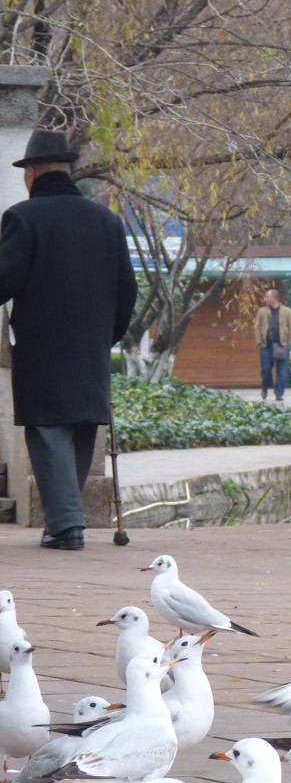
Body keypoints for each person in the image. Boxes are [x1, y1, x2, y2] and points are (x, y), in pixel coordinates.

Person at [0, 129, 137, 551]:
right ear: (70, 170)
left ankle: (66, 527)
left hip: (43, 348)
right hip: (92, 349)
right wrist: (106, 336)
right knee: (79, 431)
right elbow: (127, 291)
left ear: (32, 174)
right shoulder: (107, 221)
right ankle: (64, 521)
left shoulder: (23, 218)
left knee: (48, 432)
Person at [254, 287, 291, 401]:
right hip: (266, 346)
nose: (265, 299)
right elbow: (257, 327)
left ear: (273, 298)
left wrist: (288, 343)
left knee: (282, 371)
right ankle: (265, 387)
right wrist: (260, 342)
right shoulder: (261, 311)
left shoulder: (287, 311)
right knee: (266, 370)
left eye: (267, 296)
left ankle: (279, 393)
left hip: (282, 345)